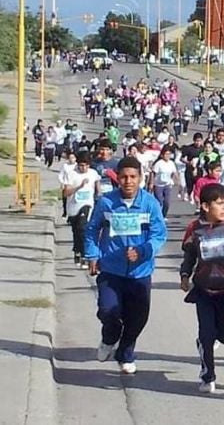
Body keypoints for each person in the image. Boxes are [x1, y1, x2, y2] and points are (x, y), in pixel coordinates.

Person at [84, 157, 168, 374]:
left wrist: (143, 251)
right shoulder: (106, 202)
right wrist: (92, 255)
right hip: (111, 270)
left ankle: (125, 354)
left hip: (140, 272)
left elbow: (159, 235)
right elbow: (92, 229)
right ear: (117, 178)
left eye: (133, 177)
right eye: (123, 177)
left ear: (140, 178)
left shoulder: (150, 204)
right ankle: (109, 337)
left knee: (137, 318)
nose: (128, 181)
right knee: (108, 310)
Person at [179, 183, 224, 394]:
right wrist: (184, 275)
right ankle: (208, 375)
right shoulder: (194, 229)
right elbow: (189, 256)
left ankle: (213, 339)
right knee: (206, 334)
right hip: (204, 291)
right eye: (219, 204)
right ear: (205, 206)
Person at [63, 151, 100, 268]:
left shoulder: (93, 173)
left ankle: (84, 255)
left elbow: (98, 188)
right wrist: (79, 186)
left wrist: (99, 198)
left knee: (83, 228)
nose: (84, 168)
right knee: (76, 230)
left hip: (87, 204)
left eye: (86, 165)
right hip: (73, 206)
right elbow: (66, 193)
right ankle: (77, 250)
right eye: (81, 165)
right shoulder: (71, 174)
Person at [149, 148, 180, 221]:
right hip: (158, 185)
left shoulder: (171, 163)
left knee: (167, 202)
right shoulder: (159, 163)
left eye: (169, 154)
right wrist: (151, 183)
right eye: (166, 154)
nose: (167, 156)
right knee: (159, 201)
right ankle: (158, 215)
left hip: (167, 184)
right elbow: (153, 173)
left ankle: (163, 215)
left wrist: (177, 180)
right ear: (162, 155)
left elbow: (174, 172)